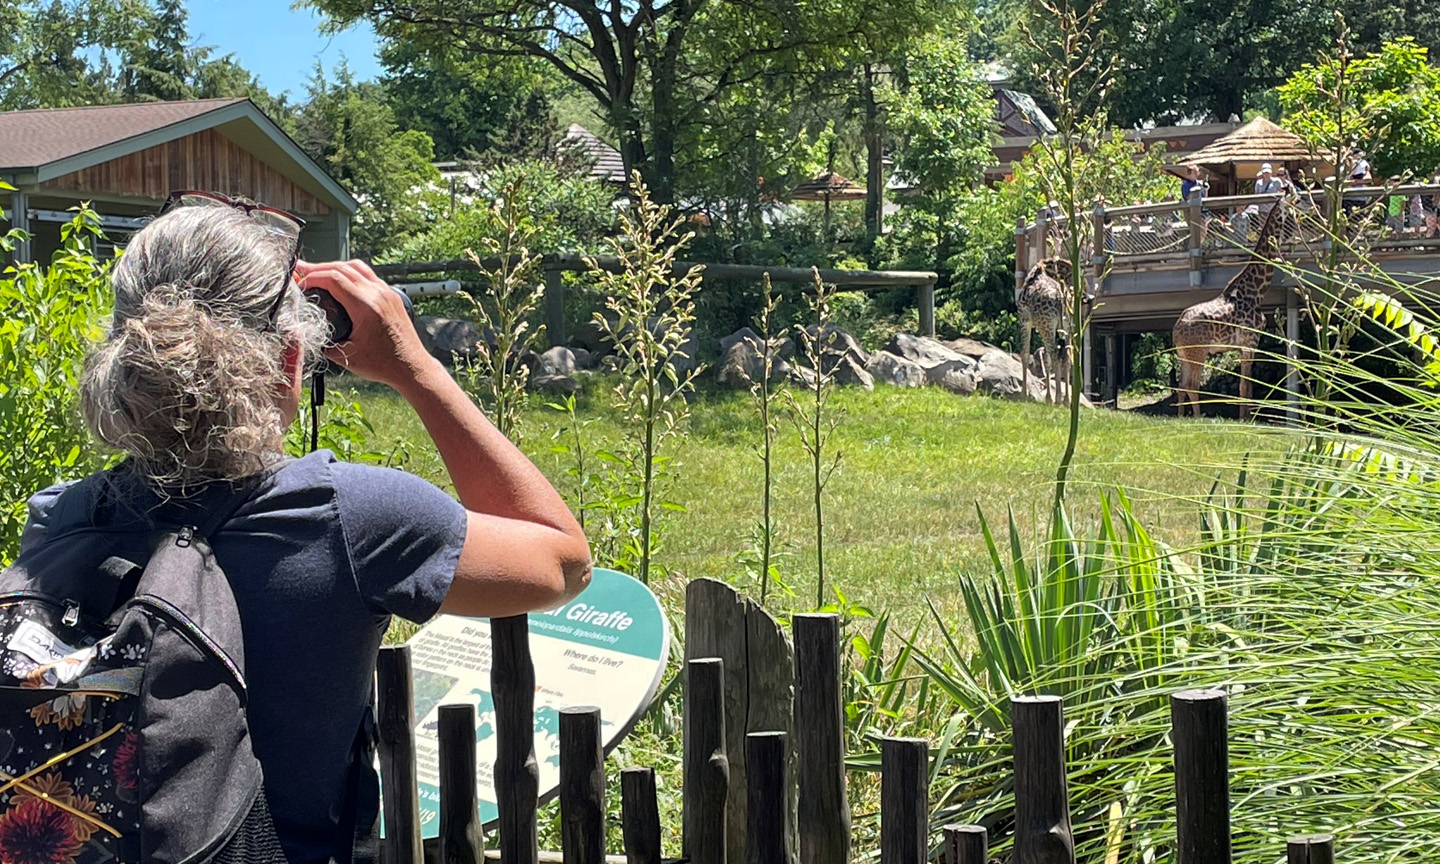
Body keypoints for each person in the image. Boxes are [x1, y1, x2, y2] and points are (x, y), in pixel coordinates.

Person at [18, 201, 593, 864]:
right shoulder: (354, 520)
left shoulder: (56, 519)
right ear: (292, 363)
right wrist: (414, 365)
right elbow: (563, 560)